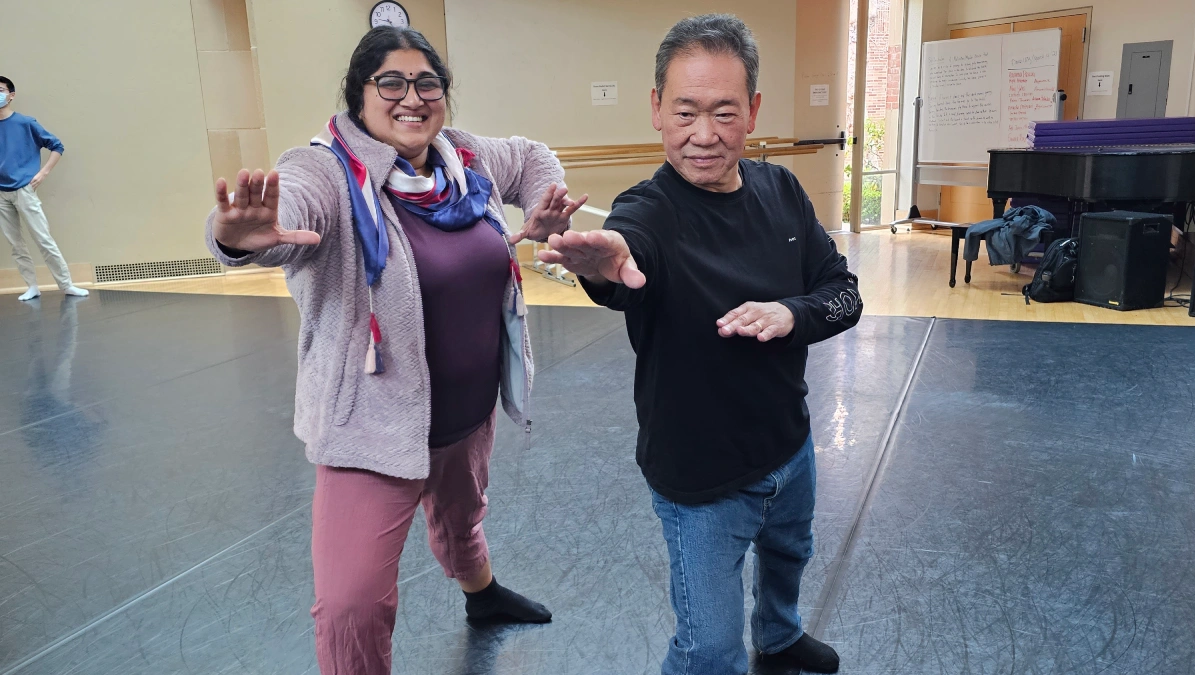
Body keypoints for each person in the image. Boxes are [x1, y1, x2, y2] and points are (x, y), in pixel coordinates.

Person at [203, 26, 586, 674]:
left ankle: (482, 594)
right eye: (391, 82)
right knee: (351, 605)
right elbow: (290, 212)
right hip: (371, 432)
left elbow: (533, 155)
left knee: (463, 519)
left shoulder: (463, 159)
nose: (412, 96)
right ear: (359, 96)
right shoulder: (326, 171)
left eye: (427, 82)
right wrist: (242, 237)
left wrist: (549, 206)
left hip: (466, 414)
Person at [540, 14, 862, 675]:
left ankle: (778, 635)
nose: (705, 135)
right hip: (702, 481)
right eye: (686, 112)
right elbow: (630, 256)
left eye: (724, 112)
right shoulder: (650, 211)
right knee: (709, 650)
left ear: (754, 111)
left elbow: (844, 292)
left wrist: (791, 313)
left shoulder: (782, 190)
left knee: (788, 554)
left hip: (789, 445)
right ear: (657, 108)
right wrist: (607, 266)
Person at [0, 76, 89, 301]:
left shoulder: (25, 123)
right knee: (15, 244)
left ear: (11, 95)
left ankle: (67, 284)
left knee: (43, 238)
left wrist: (43, 173)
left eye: (0, 90)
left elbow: (56, 146)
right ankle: (31, 286)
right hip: (1, 194)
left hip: (24, 190)